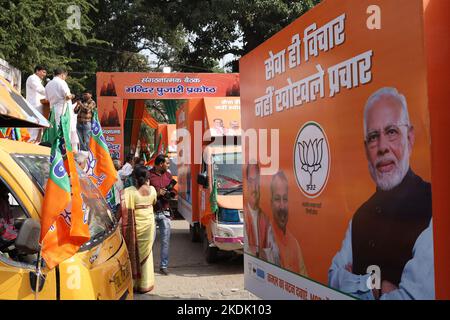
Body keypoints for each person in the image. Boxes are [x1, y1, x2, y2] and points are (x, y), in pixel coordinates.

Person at [328, 87, 434, 300]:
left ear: (410, 138)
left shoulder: (433, 208)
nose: (382, 147)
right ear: (366, 149)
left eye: (392, 132)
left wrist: (354, 285)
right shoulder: (359, 218)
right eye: (373, 137)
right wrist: (375, 287)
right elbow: (332, 278)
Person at [121, 166, 157, 293]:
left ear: (135, 178)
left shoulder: (129, 191)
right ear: (147, 178)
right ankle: (145, 284)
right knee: (147, 252)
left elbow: (121, 210)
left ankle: (135, 283)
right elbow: (154, 202)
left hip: (135, 226)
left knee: (134, 252)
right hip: (148, 224)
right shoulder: (152, 190)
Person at [268, 171, 307, 276]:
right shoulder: (266, 239)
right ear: (271, 203)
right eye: (277, 199)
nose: (282, 206)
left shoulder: (294, 244)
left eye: (285, 199)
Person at [149, 154, 176, 275]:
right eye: (167, 163)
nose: (168, 165)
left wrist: (171, 192)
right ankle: (147, 266)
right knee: (149, 241)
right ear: (161, 164)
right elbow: (143, 191)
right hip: (151, 212)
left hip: (165, 212)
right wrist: (157, 193)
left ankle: (163, 266)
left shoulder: (168, 175)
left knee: (165, 241)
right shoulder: (148, 175)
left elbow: (173, 192)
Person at [244, 163, 272, 260]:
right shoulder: (244, 216)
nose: (254, 187)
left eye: (257, 181)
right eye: (251, 181)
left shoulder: (266, 219)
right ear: (247, 184)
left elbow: (273, 253)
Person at [25, 65, 47, 143]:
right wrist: (51, 92)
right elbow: (40, 90)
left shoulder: (38, 81)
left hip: (39, 107)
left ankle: (35, 144)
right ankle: (29, 147)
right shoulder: (32, 78)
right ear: (37, 71)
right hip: (33, 107)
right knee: (32, 130)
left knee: (38, 129)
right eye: (43, 72)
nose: (44, 74)